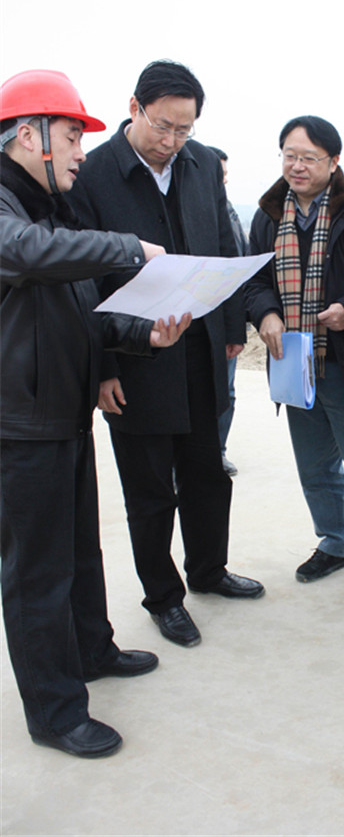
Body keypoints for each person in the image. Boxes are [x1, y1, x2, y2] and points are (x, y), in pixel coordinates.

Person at [0, 69, 191, 758]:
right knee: (36, 573)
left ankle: (91, 650)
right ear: (29, 135)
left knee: (80, 550)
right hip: (19, 424)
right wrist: (130, 247)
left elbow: (81, 312)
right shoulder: (13, 215)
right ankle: (54, 713)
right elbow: (24, 255)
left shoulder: (48, 208)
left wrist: (145, 335)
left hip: (60, 412)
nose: (82, 152)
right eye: (72, 135)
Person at [68, 61, 265, 651]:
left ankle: (208, 569)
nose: (173, 141)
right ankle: (164, 597)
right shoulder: (94, 174)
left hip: (201, 349)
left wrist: (230, 328)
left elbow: (223, 244)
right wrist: (102, 367)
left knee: (208, 473)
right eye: (163, 126)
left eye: (185, 128)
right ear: (134, 108)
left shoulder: (200, 163)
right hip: (133, 360)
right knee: (150, 490)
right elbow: (83, 282)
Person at [245, 115, 344, 608]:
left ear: (333, 161)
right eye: (289, 155)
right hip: (293, 362)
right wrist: (266, 313)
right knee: (315, 468)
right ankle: (335, 543)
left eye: (308, 158)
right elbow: (254, 281)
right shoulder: (269, 215)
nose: (297, 166)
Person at [207, 146, 249, 477]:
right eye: (216, 175)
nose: (222, 181)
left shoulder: (230, 212)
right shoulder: (198, 211)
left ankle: (218, 451)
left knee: (227, 391)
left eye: (223, 175)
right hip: (201, 320)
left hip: (228, 318)